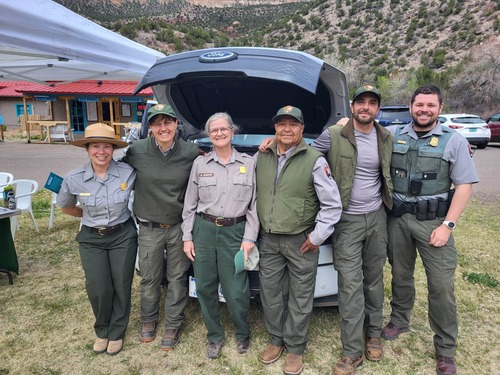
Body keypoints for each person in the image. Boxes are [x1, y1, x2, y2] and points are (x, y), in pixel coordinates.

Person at [381, 84, 478, 375]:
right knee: (400, 274)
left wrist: (448, 226)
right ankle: (399, 319)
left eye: (430, 106)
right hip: (397, 220)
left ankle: (445, 348)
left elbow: (464, 186)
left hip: (434, 222)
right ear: (410, 107)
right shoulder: (393, 135)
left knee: (441, 285)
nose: (424, 110)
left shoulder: (454, 141)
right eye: (419, 104)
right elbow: (361, 133)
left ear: (440, 109)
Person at [312, 86, 393, 375]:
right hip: (346, 221)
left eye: (372, 103)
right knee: (349, 285)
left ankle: (373, 335)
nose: (366, 107)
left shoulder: (386, 137)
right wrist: (273, 144)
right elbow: (304, 157)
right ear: (352, 105)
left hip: (377, 218)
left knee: (373, 279)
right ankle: (352, 351)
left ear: (377, 109)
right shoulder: (334, 135)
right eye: (361, 102)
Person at [256, 105, 342, 375]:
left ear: (302, 129)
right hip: (268, 239)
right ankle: (276, 340)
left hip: (300, 241)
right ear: (275, 128)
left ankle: (295, 348)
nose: (287, 129)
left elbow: (332, 204)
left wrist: (317, 237)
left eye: (293, 124)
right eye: (282, 124)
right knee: (270, 293)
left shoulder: (314, 159)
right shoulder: (263, 156)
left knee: (300, 296)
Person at [121, 104, 200, 351]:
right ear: (150, 128)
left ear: (177, 125)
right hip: (149, 227)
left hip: (178, 227)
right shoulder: (136, 151)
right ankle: (148, 320)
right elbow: (114, 169)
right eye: (156, 123)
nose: (163, 128)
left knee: (177, 277)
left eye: (167, 122)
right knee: (150, 277)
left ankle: (173, 324)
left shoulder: (192, 152)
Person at [182, 112, 259, 359]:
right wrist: (187, 236)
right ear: (209, 134)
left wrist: (249, 238)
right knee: (204, 286)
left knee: (236, 289)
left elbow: (254, 207)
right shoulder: (200, 164)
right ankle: (214, 336)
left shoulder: (250, 164)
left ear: (232, 131)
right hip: (203, 230)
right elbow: (189, 205)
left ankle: (242, 333)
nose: (219, 133)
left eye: (223, 129)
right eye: (213, 130)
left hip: (235, 232)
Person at [57, 123, 137, 356]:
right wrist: (89, 216)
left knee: (122, 284)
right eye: (95, 146)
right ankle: (102, 329)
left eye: (106, 146)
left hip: (123, 235)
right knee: (98, 287)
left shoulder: (127, 172)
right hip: (91, 238)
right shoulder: (74, 178)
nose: (101, 151)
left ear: (113, 149)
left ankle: (117, 331)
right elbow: (66, 207)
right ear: (87, 149)